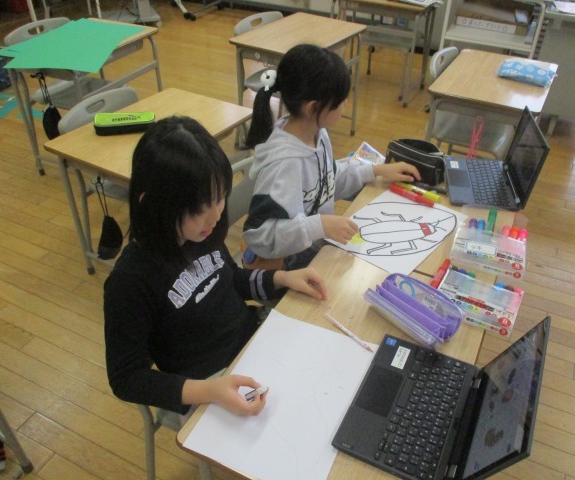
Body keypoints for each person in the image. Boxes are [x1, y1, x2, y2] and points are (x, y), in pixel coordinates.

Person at [104, 116, 327, 419]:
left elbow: (230, 280)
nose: (215, 216)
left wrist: (282, 278)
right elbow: (126, 378)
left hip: (252, 346)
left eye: (220, 198)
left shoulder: (201, 232)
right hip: (206, 386)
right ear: (151, 202)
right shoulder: (130, 281)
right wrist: (209, 391)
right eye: (199, 208)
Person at [243, 44, 422, 270]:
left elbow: (326, 183)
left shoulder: (317, 134)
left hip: (318, 248)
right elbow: (260, 236)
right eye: (340, 101)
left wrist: (375, 171)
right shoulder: (284, 165)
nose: (345, 105)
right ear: (313, 108)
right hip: (291, 265)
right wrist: (320, 225)